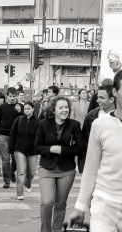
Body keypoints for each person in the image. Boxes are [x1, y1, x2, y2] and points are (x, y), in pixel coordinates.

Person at [68, 70, 122, 231]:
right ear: (115, 91)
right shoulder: (99, 125)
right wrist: (80, 205)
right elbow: (91, 168)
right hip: (104, 204)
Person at [34, 96, 84, 232]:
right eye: (61, 107)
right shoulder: (44, 124)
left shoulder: (74, 125)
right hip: (47, 168)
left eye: (66, 107)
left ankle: (57, 229)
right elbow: (37, 146)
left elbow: (80, 148)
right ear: (54, 110)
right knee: (47, 202)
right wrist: (50, 149)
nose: (64, 110)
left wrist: (63, 151)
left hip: (66, 170)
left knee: (60, 204)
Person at [80, 84, 115, 173]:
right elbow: (84, 142)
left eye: (101, 98)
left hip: (114, 166)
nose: (97, 100)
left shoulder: (119, 117)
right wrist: (83, 165)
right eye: (97, 97)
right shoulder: (91, 116)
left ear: (111, 99)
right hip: (94, 165)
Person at [0, 87, 23, 188]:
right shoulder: (2, 107)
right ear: (7, 96)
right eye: (10, 96)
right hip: (3, 135)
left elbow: (26, 120)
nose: (12, 98)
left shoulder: (20, 107)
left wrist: (20, 112)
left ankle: (11, 171)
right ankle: (6, 181)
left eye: (14, 96)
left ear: (17, 96)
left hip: (16, 136)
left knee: (15, 158)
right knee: (5, 159)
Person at [9, 101, 40, 200]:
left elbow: (40, 136)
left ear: (33, 109)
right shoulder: (18, 120)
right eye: (25, 109)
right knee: (21, 171)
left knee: (32, 172)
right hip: (19, 149)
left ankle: (28, 182)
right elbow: (12, 134)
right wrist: (11, 149)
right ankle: (19, 193)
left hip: (33, 150)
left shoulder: (38, 122)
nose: (27, 110)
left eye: (28, 108)